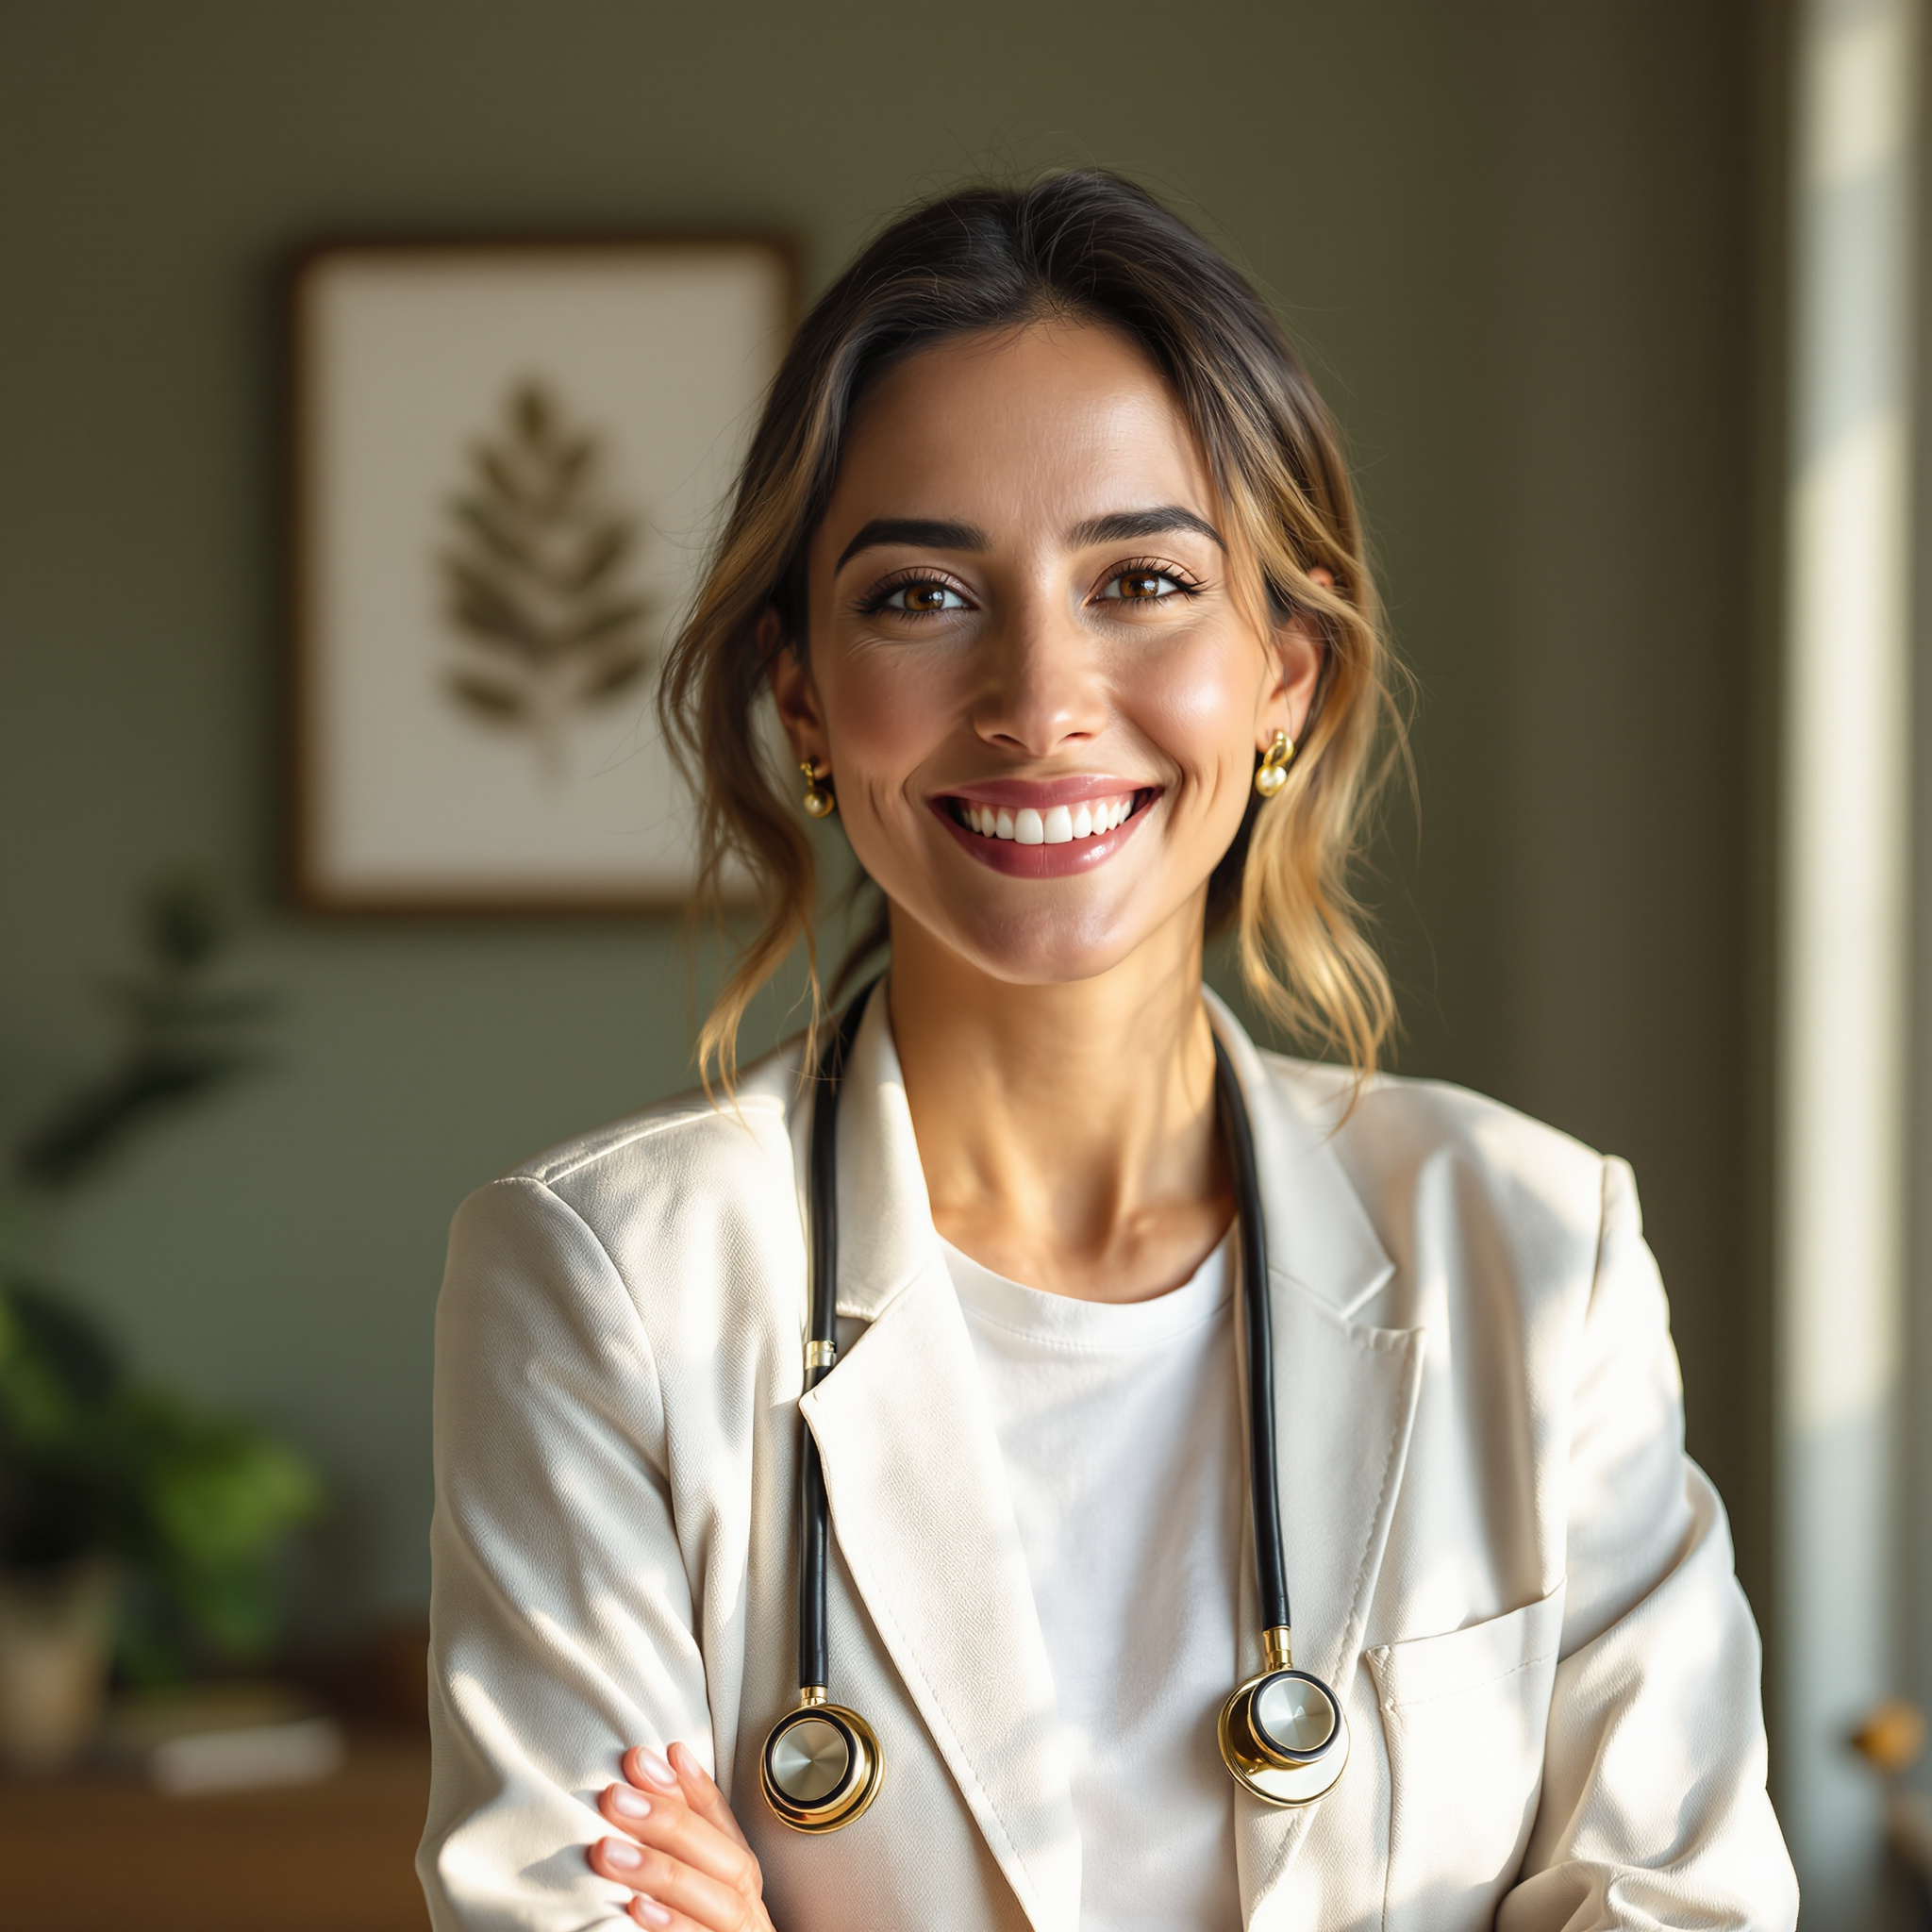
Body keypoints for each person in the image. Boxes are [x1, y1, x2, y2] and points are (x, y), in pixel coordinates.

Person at [418, 173, 1797, 1932]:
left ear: (1285, 677)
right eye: (921, 596)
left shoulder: (1536, 1250)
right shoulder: (605, 1284)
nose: (1041, 697)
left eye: (1142, 579)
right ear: (803, 699)